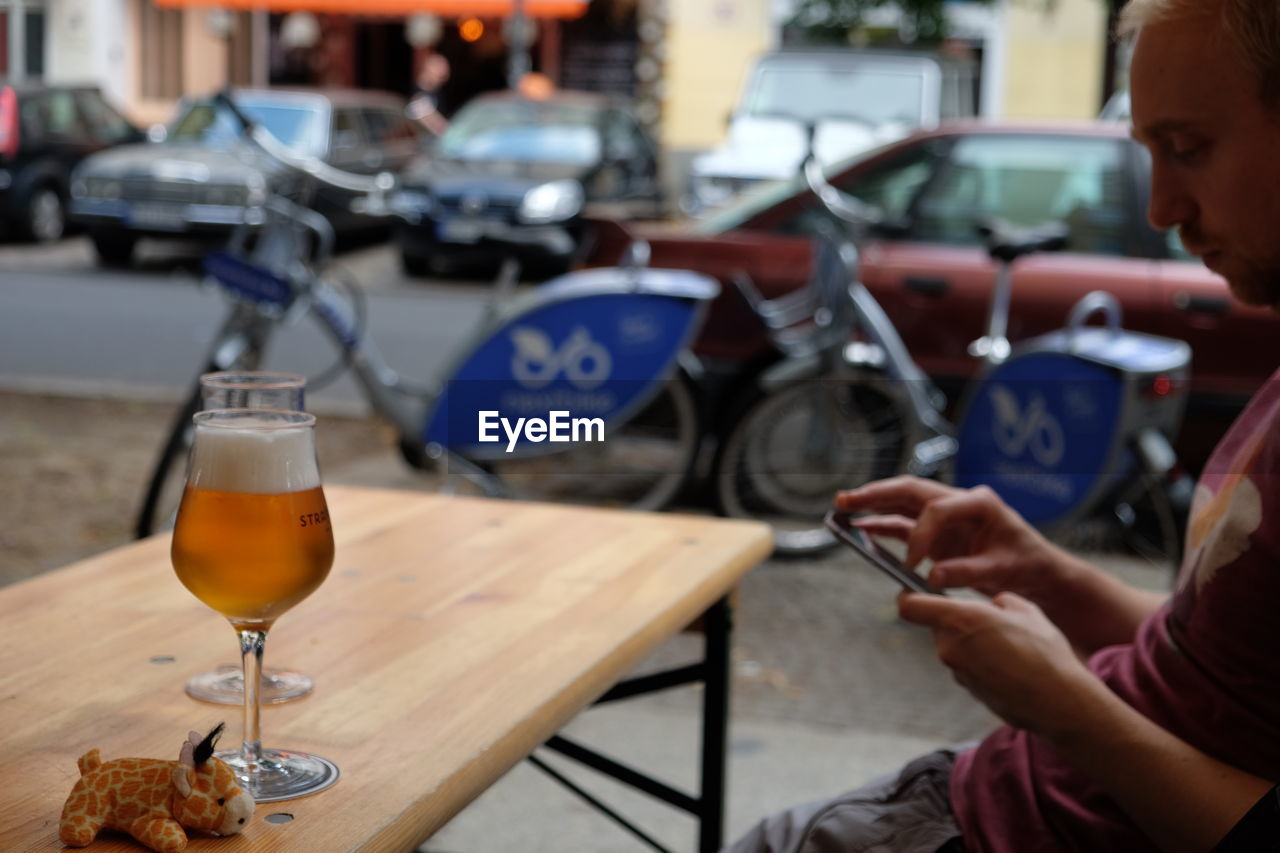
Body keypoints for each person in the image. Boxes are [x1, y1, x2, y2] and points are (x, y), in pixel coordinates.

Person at [725, 0, 1280, 850]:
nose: (1164, 208)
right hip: (991, 793)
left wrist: (1063, 704)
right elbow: (1218, 675)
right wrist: (1048, 572)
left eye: (1190, 148)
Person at [408, 51, 451, 137]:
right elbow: (433, 123)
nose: (443, 73)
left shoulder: (436, 92)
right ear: (428, 69)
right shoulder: (419, 94)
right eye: (438, 68)